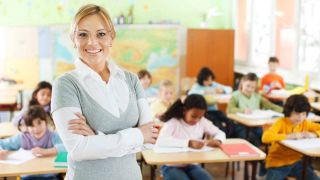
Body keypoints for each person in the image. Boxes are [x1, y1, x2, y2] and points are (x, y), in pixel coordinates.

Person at [51, 4, 158, 180]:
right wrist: (138, 134)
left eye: (101, 34)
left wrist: (96, 139)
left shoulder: (131, 80)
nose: (92, 42)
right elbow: (78, 149)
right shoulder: (66, 85)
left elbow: (150, 140)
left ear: (111, 38)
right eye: (83, 34)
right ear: (73, 39)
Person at [157, 94, 226, 180]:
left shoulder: (203, 122)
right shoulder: (173, 122)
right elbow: (161, 141)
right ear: (184, 110)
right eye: (193, 116)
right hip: (171, 165)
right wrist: (188, 143)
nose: (196, 120)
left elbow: (220, 133)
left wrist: (218, 140)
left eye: (200, 117)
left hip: (192, 164)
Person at [262, 95, 320, 180]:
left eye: (303, 114)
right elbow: (265, 137)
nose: (300, 118)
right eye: (296, 113)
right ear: (289, 111)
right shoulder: (281, 122)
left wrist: (314, 134)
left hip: (296, 162)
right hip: (277, 164)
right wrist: (288, 136)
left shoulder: (305, 123)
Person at [0, 105, 66, 180]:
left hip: (50, 176)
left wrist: (46, 151)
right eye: (31, 126)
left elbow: (66, 147)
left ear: (46, 122)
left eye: (39, 123)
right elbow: (2, 143)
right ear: (27, 127)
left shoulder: (53, 136)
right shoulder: (23, 138)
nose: (36, 128)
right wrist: (2, 152)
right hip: (27, 176)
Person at [188, 67, 234, 137]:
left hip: (214, 110)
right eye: (207, 80)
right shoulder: (197, 86)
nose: (209, 82)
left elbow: (229, 89)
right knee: (218, 124)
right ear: (202, 79)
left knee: (229, 121)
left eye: (211, 80)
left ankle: (229, 137)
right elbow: (190, 94)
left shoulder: (213, 84)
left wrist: (223, 90)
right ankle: (223, 138)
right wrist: (205, 91)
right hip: (205, 112)